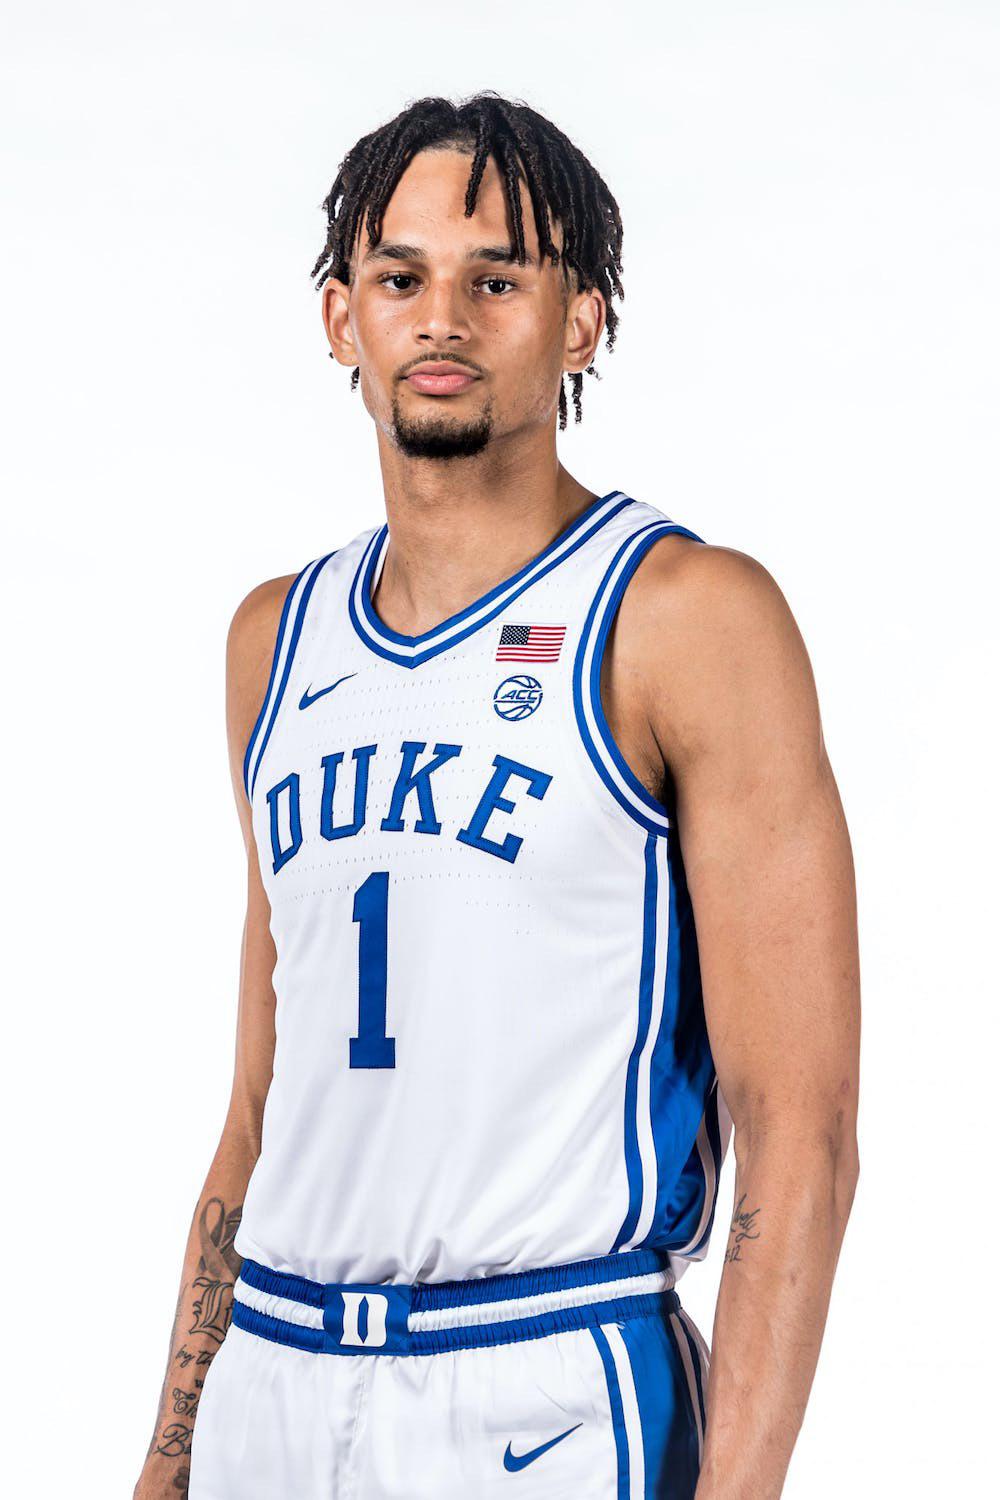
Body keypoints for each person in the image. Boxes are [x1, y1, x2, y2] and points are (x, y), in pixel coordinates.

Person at [134, 91, 860, 1500]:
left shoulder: (684, 617)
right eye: (400, 278)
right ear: (343, 319)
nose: (442, 321)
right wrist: (167, 1463)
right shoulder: (273, 641)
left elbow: (803, 1132)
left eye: (498, 281)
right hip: (272, 1382)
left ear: (580, 322)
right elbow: (259, 1111)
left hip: (544, 1386)